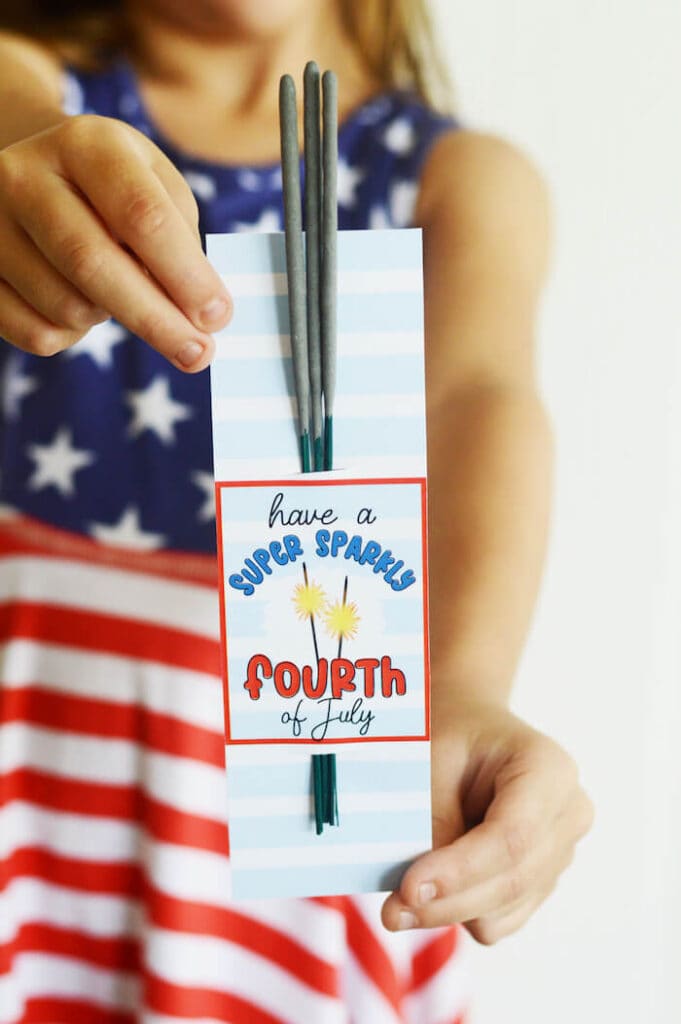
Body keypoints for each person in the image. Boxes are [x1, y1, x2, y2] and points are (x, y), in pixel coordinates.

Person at [0, 1, 594, 1021]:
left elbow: (479, 401)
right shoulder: (31, 85)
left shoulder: (457, 185)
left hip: (280, 862)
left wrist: (465, 689)